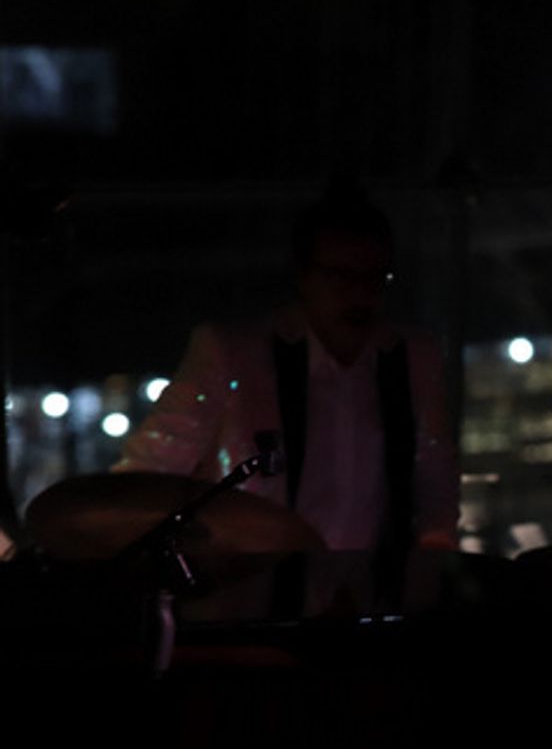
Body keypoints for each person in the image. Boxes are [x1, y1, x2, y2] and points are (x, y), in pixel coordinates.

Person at [117, 181, 458, 551]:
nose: (362, 293)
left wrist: (431, 562)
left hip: (372, 594)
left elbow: (435, 482)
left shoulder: (413, 359)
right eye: (342, 277)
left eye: (375, 277)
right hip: (249, 591)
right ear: (302, 276)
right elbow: (148, 477)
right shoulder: (231, 355)